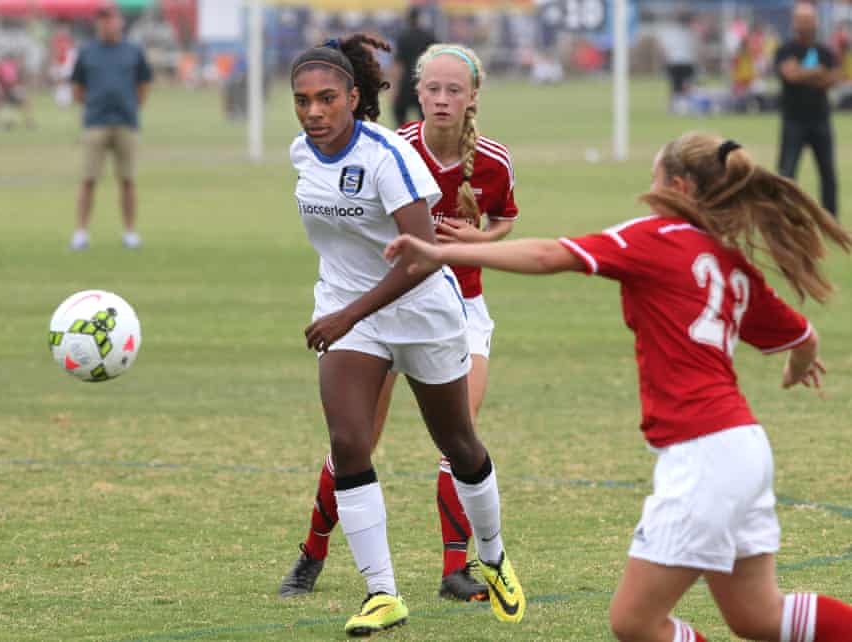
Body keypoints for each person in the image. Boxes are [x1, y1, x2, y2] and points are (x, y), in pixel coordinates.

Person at [386, 132, 852, 642]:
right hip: (743, 448)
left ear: (677, 184)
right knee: (757, 616)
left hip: (705, 454)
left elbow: (549, 255)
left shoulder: (655, 236)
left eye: (653, 176)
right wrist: (797, 366)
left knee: (634, 621)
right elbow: (803, 337)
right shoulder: (728, 262)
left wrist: (440, 253)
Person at [286, 35, 525, 636]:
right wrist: (344, 312)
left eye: (327, 99)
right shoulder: (301, 153)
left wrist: (349, 313)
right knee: (348, 443)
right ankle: (383, 594)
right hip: (347, 311)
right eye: (302, 100)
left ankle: (492, 556)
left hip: (422, 312)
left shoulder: (387, 155)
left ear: (355, 98)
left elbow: (421, 258)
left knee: (460, 444)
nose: (314, 112)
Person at [69, 6, 153, 251]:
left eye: (111, 19)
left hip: (126, 121)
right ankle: (81, 231)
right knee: (88, 179)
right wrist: (93, 104)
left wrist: (133, 105)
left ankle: (130, 231)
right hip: (95, 122)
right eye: (102, 20)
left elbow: (144, 83)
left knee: (127, 179)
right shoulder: (87, 52)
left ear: (119, 22)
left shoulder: (133, 51)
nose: (107, 25)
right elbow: (77, 88)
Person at [775, 2, 843, 217]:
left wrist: (802, 72)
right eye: (801, 19)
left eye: (808, 19)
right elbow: (790, 75)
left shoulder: (825, 50)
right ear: (794, 22)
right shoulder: (785, 50)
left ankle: (830, 219)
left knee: (828, 173)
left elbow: (833, 80)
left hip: (820, 119)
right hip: (793, 119)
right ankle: (784, 219)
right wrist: (817, 72)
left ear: (815, 21)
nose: (804, 24)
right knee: (786, 173)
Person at [391, 7, 436, 126]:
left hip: (406, 82)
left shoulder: (403, 37)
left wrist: (394, 88)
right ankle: (424, 141)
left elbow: (398, 64)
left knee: (399, 113)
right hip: (424, 82)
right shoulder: (429, 36)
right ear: (420, 19)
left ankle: (402, 139)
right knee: (425, 118)